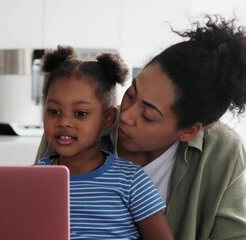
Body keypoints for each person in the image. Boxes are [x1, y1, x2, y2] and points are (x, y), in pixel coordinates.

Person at [36, 15, 246, 239]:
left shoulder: (222, 151)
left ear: (188, 131)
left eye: (149, 115)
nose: (127, 116)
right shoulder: (75, 128)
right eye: (131, 94)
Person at [35, 46, 173, 239]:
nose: (64, 122)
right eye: (53, 111)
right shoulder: (35, 178)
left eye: (80, 114)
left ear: (108, 118)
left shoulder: (131, 180)